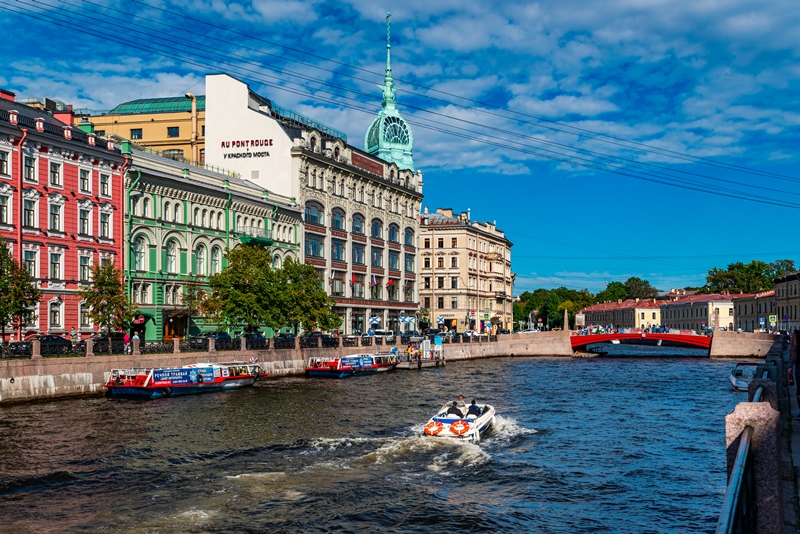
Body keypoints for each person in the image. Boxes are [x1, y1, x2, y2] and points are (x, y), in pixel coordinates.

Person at [790, 328, 800, 417]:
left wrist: (790, 366)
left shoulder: (797, 333)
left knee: (799, 391)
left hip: (799, 364)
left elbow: (793, 349)